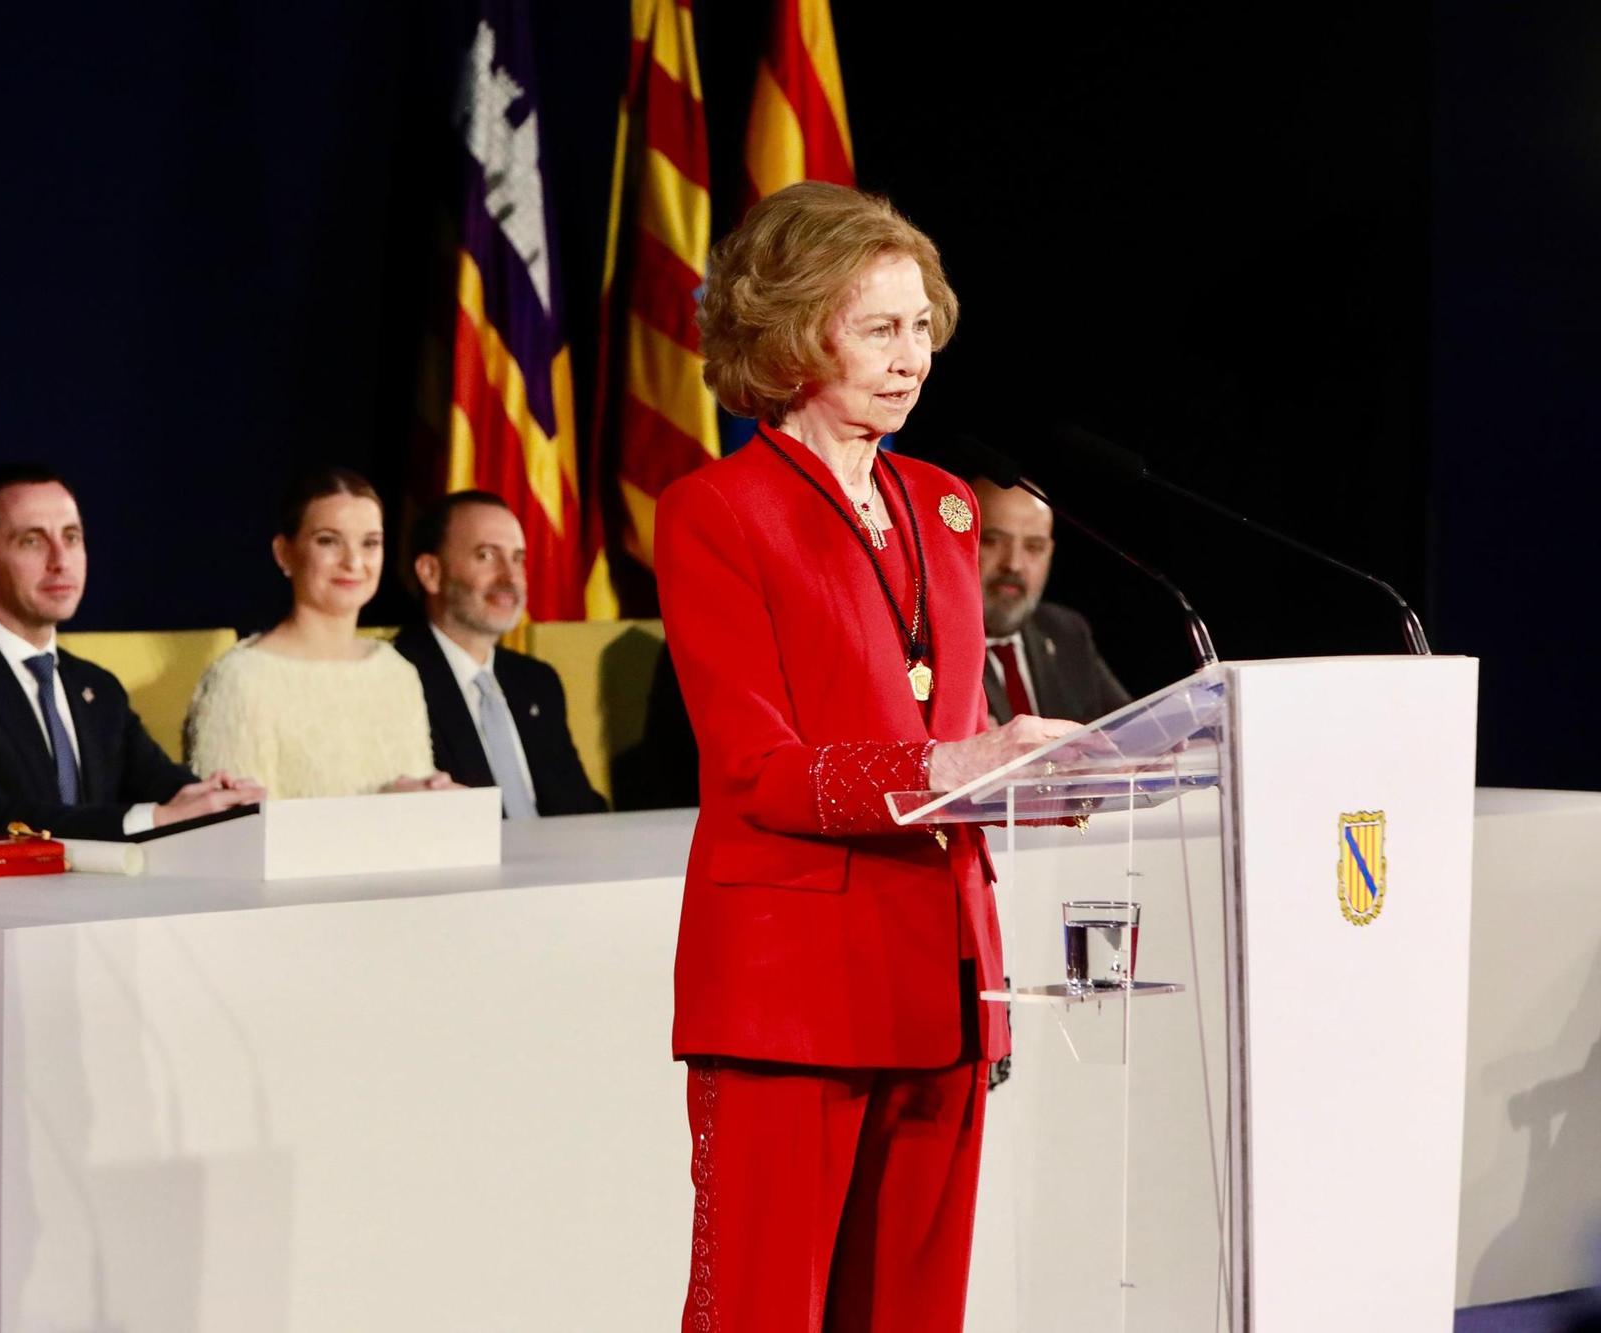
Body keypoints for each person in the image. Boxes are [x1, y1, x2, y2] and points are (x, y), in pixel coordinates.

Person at [656, 181, 1079, 1331]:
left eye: (922, 329)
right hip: (789, 990)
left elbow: (954, 727)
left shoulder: (944, 507)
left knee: (911, 1313)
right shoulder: (716, 509)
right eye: (879, 329)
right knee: (762, 1310)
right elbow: (754, 768)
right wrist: (947, 771)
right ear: (795, 333)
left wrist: (1039, 779)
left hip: (941, 982)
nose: (912, 359)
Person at [0, 464, 261, 839]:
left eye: (71, 537)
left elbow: (159, 782)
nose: (60, 560)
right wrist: (153, 819)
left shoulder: (98, 688)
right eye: (32, 541)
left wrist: (214, 798)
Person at [186, 468, 451, 799]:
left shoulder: (396, 671)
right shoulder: (242, 680)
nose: (354, 562)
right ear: (284, 553)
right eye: (328, 541)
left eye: (370, 543)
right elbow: (236, 834)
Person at [390, 490, 606, 818]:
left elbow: (580, 810)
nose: (510, 578)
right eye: (487, 556)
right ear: (430, 572)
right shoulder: (395, 680)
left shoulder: (537, 681)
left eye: (518, 558)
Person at [972, 474, 1132, 725]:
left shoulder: (1065, 630)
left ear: (1049, 554)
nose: (1013, 564)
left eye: (1034, 547)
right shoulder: (923, 644)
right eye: (992, 541)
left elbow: (1131, 725)